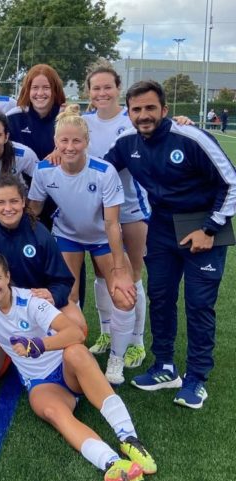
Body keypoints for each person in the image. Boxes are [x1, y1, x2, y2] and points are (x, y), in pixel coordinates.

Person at [0, 251, 156, 481]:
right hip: (41, 383)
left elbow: (74, 333)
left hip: (67, 369)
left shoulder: (31, 302)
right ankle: (112, 463)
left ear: (8, 277)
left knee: (76, 352)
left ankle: (129, 438)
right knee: (53, 412)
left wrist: (38, 345)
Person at [104, 80, 236, 409]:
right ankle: (165, 366)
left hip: (204, 225)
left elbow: (231, 183)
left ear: (165, 110)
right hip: (162, 227)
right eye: (137, 109)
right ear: (129, 113)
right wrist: (63, 157)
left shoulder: (189, 138)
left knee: (198, 303)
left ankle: (196, 378)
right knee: (161, 297)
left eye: (151, 108)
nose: (144, 115)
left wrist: (210, 228)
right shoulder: (127, 143)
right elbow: (101, 171)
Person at [28, 105, 137, 386]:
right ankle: (68, 351)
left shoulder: (104, 171)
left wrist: (120, 267)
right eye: (64, 140)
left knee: (123, 295)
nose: (70, 146)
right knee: (66, 298)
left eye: (76, 140)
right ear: (55, 142)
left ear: (86, 142)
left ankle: (116, 358)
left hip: (102, 236)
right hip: (67, 236)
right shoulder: (44, 170)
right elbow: (33, 211)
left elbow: (113, 224)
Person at [82, 64, 150, 369]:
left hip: (130, 209)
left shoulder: (132, 119)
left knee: (131, 276)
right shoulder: (83, 122)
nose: (102, 93)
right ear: (88, 92)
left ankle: (136, 341)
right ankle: (108, 332)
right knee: (102, 275)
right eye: (96, 88)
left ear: (118, 88)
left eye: (107, 87)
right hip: (96, 211)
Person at [0, 174, 85, 332]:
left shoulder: (41, 235)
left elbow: (63, 281)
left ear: (23, 202)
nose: (8, 208)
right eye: (1, 202)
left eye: (14, 201)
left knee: (78, 325)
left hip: (33, 302)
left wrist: (53, 295)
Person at [7, 64, 66, 161]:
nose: (40, 93)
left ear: (55, 90)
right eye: (35, 87)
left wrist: (61, 151)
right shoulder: (13, 117)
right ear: (27, 90)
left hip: (55, 174)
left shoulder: (66, 117)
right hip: (19, 176)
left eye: (46, 87)